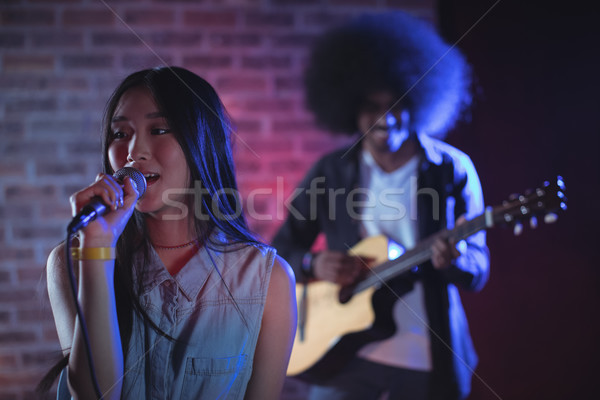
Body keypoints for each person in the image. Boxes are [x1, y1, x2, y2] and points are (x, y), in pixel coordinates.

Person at [271, 12, 489, 400]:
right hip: (340, 355)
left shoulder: (451, 170)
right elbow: (281, 249)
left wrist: (453, 261)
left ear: (421, 101)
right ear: (350, 108)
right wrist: (313, 263)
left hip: (426, 356)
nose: (387, 118)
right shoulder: (331, 170)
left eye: (399, 104)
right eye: (373, 107)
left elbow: (477, 269)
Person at [44, 66, 297, 399]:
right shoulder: (72, 260)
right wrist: (98, 251)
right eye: (120, 134)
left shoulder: (267, 279)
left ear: (202, 143)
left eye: (159, 129)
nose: (134, 152)